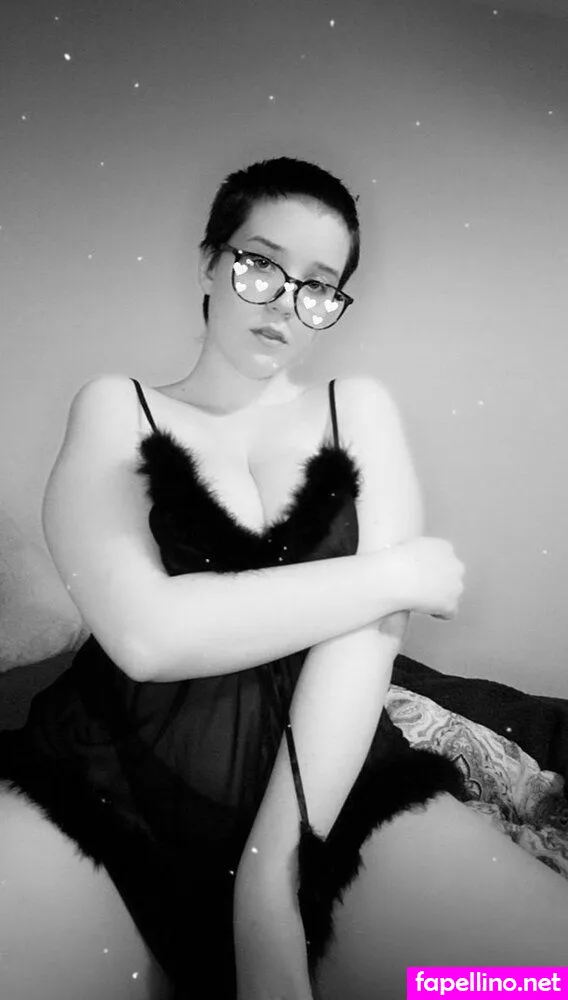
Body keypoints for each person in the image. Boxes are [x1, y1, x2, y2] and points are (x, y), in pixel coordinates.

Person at [1, 157, 567, 1000]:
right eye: (261, 264)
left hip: (324, 792)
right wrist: (396, 573)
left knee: (532, 981)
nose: (286, 303)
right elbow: (148, 636)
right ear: (210, 261)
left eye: (319, 285)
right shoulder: (119, 405)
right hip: (103, 786)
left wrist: (271, 880)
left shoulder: (356, 408)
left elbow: (362, 648)